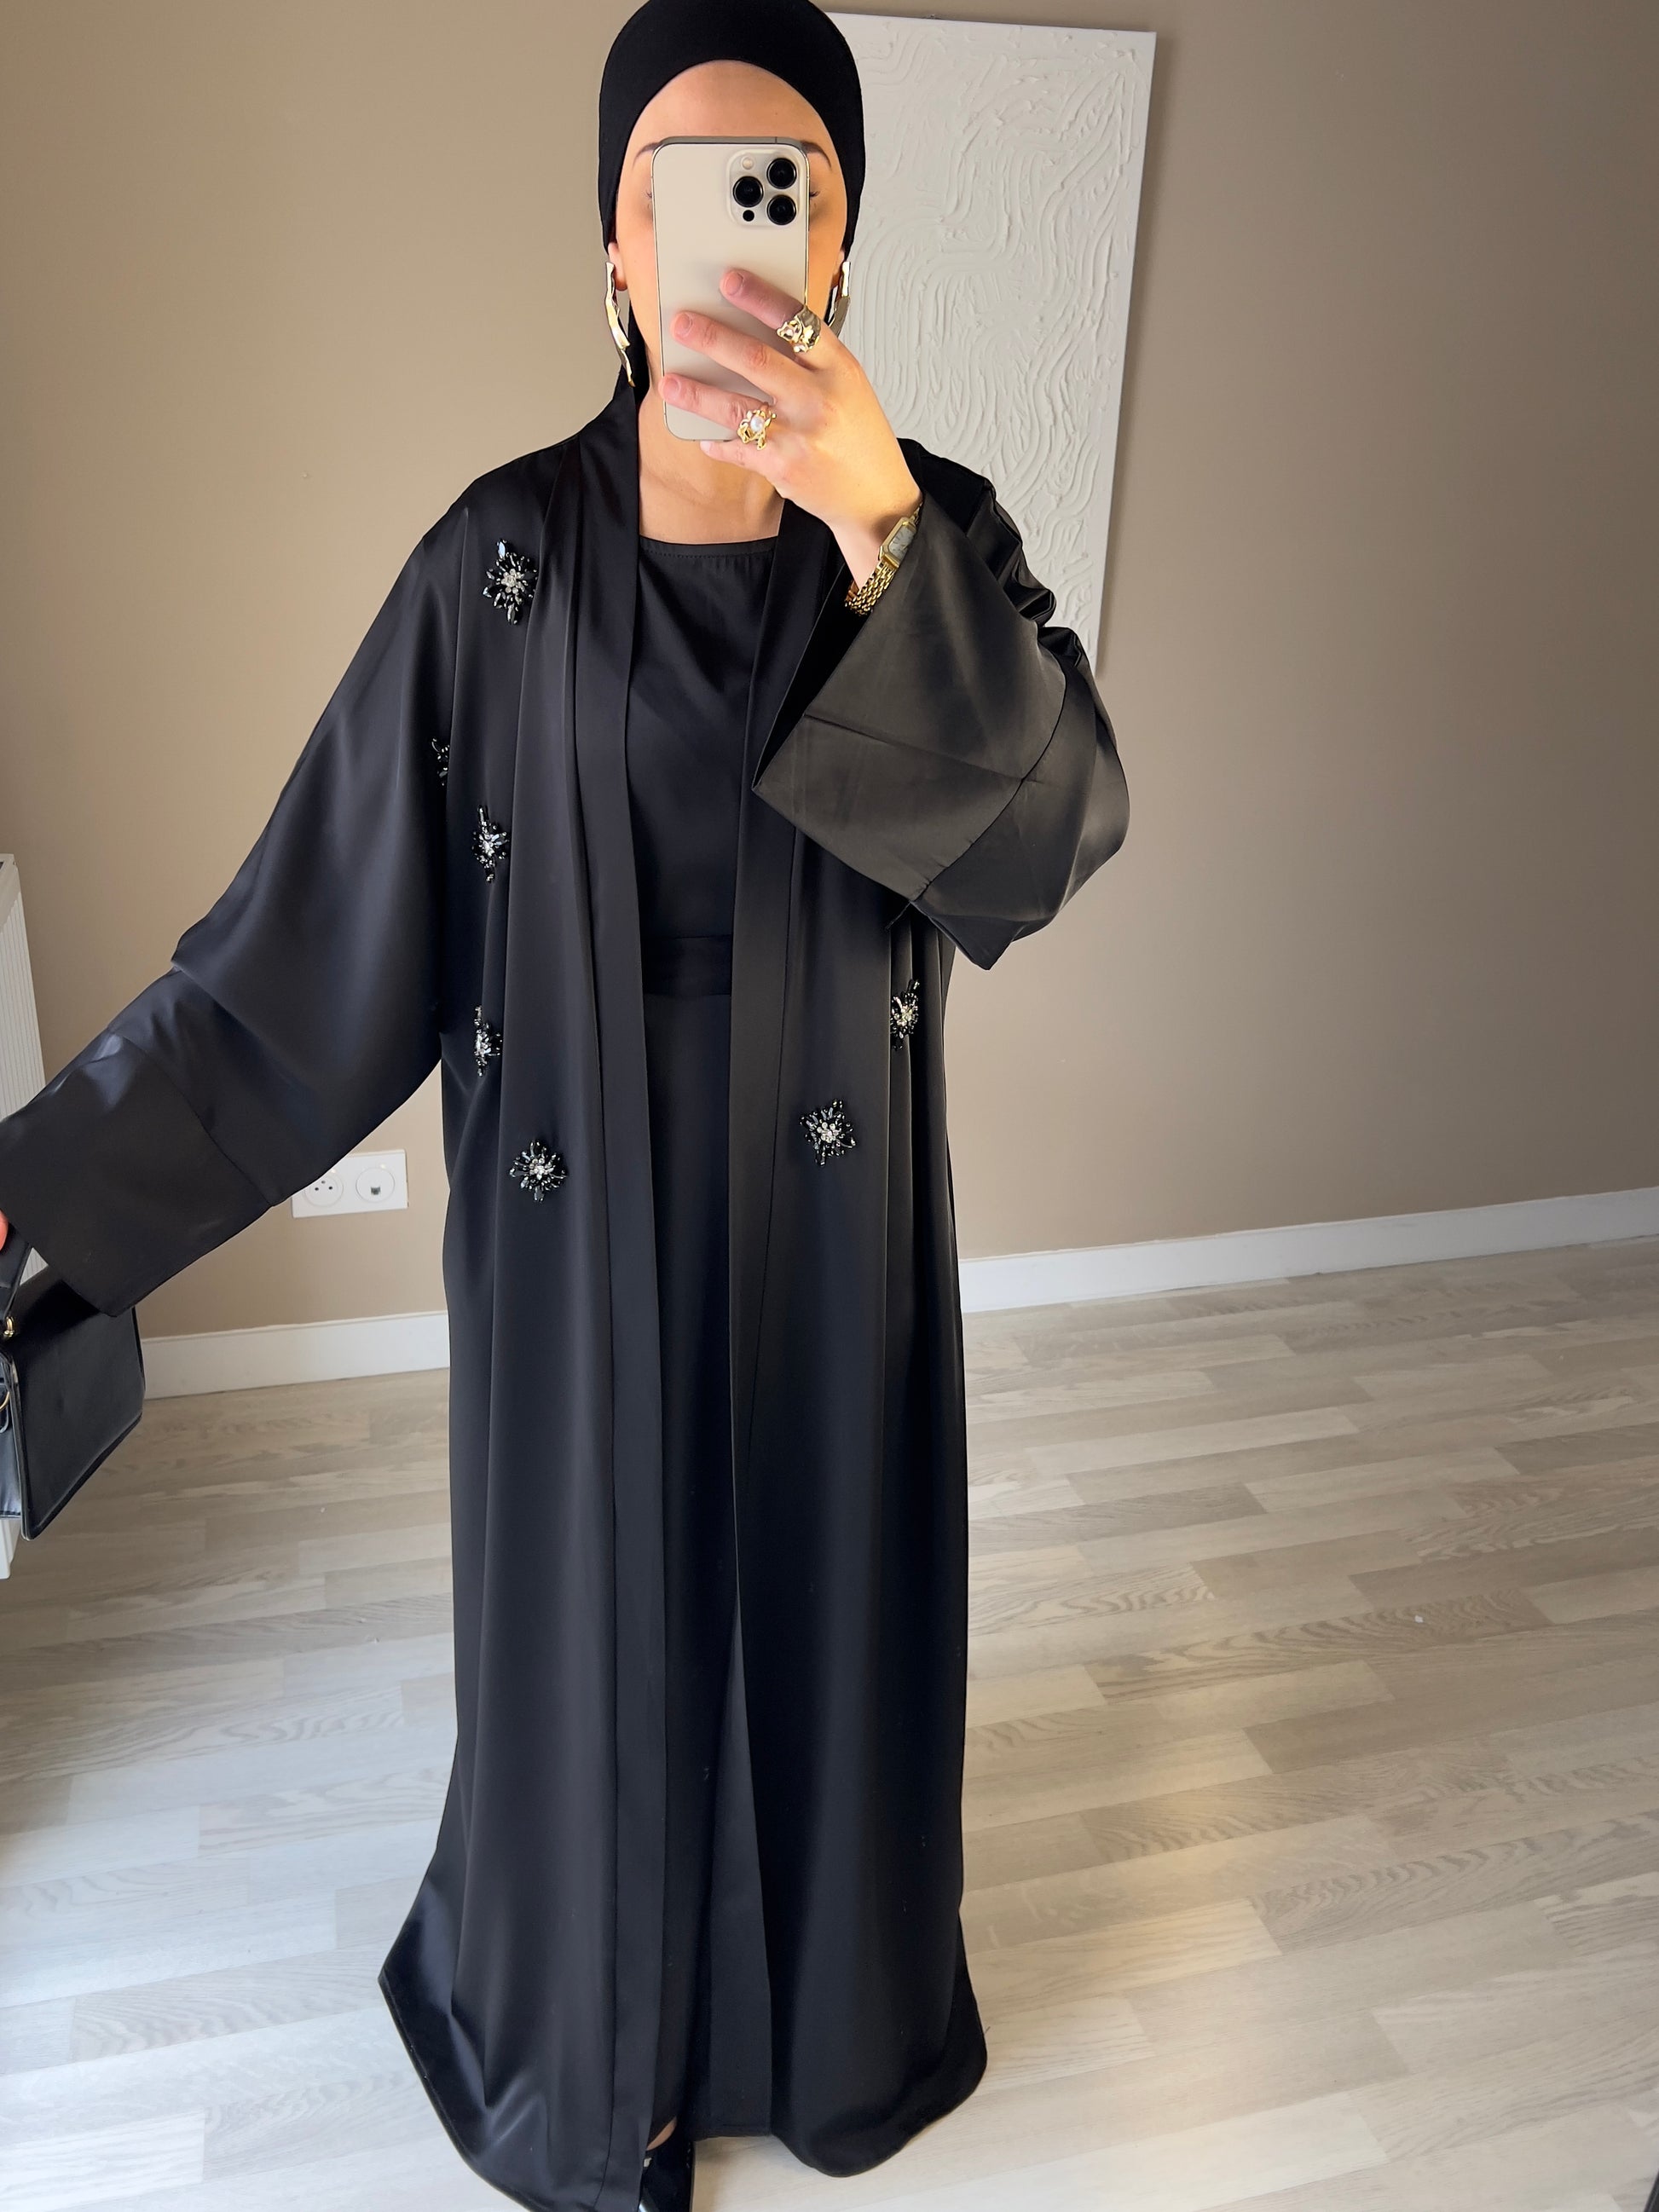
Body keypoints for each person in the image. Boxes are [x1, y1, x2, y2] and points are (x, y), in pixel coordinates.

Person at [0, 2, 1129, 2207]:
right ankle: (594, 2055)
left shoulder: (927, 531)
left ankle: (827, 2027)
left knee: (820, 1597)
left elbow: (1054, 832)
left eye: (787, 183)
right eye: (673, 184)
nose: (731, 227)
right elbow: (293, 963)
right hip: (571, 1198)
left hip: (835, 1213)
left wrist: (877, 517)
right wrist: (35, 1193)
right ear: (613, 244)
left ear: (840, 241)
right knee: (597, 1622)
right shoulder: (498, 563)